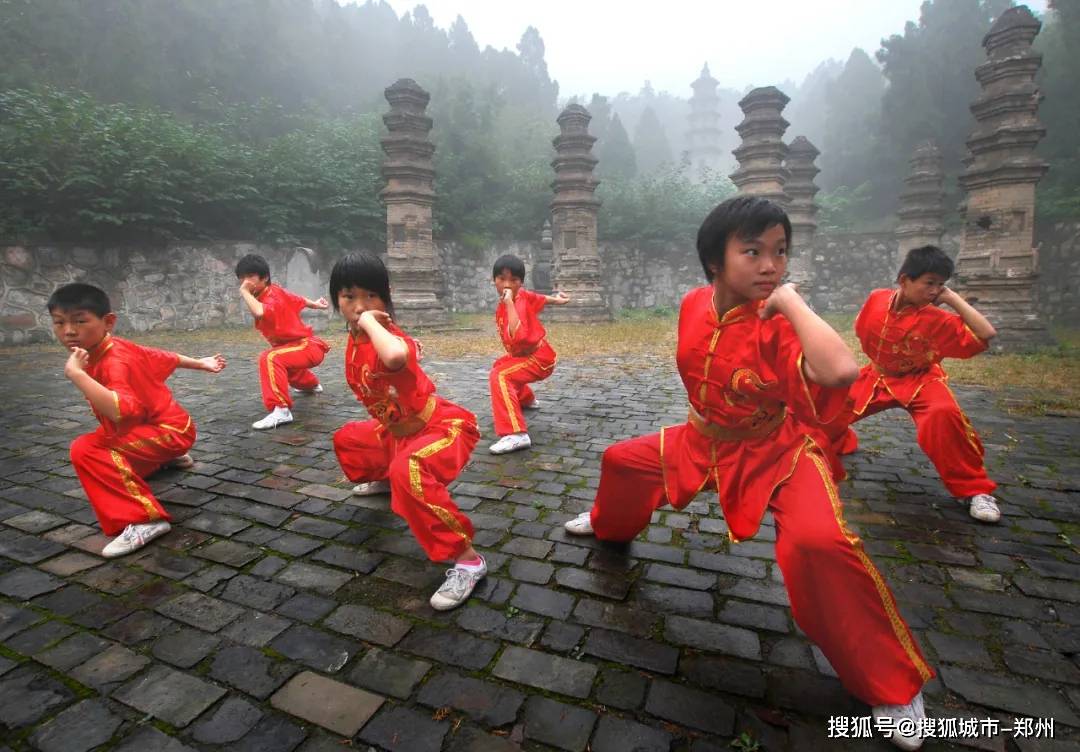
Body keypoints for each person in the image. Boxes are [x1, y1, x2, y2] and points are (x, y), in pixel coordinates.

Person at [563, 197, 933, 751]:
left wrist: (790, 302)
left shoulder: (781, 326)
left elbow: (840, 370)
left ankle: (892, 684)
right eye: (753, 251)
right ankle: (608, 526)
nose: (770, 265)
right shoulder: (693, 304)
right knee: (620, 461)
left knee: (819, 543)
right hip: (700, 440)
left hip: (773, 451)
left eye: (780, 252)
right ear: (715, 260)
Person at [329, 252, 486, 610]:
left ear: (386, 299)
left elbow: (396, 358)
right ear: (336, 298)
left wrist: (371, 322)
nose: (359, 305)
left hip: (438, 426)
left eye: (371, 296)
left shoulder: (387, 335)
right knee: (349, 439)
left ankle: (468, 560)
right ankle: (384, 480)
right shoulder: (355, 339)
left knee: (409, 471)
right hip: (397, 429)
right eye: (349, 296)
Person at [825, 245, 1000, 523]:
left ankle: (976, 490)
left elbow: (985, 333)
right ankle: (841, 441)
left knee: (943, 417)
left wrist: (952, 298)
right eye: (929, 283)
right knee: (827, 407)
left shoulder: (937, 318)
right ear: (905, 279)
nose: (934, 291)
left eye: (941, 285)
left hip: (921, 380)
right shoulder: (877, 299)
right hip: (878, 375)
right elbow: (861, 328)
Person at [50, 283, 225, 557]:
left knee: (88, 449)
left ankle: (144, 520)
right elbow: (162, 356)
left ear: (108, 322)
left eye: (80, 321)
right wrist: (201, 363)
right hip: (171, 429)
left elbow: (121, 411)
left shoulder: (114, 360)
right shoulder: (112, 346)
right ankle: (168, 459)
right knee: (108, 446)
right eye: (59, 322)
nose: (69, 331)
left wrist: (77, 375)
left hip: (170, 432)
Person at [235, 253, 330, 429]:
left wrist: (243, 291)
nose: (245, 282)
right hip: (295, 348)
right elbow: (298, 299)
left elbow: (259, 312)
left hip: (305, 347)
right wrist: (316, 304)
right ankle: (312, 385)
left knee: (270, 358)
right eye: (242, 279)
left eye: (250, 277)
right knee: (284, 367)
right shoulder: (275, 290)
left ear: (264, 278)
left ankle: (281, 410)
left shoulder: (271, 298)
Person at [487, 254, 569, 454]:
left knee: (501, 376)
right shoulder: (522, 294)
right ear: (494, 280)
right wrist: (557, 300)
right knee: (500, 365)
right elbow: (538, 297)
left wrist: (509, 304)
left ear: (520, 282)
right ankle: (526, 399)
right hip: (527, 356)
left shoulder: (517, 304)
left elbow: (518, 334)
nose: (507, 284)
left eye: (513, 280)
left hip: (538, 358)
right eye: (502, 279)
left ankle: (516, 433)